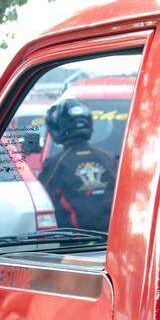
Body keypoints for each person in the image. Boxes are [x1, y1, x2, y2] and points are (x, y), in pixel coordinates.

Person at [37, 97, 118, 232]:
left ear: (56, 128)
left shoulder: (56, 164)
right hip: (110, 238)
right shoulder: (108, 158)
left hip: (74, 241)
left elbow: (39, 202)